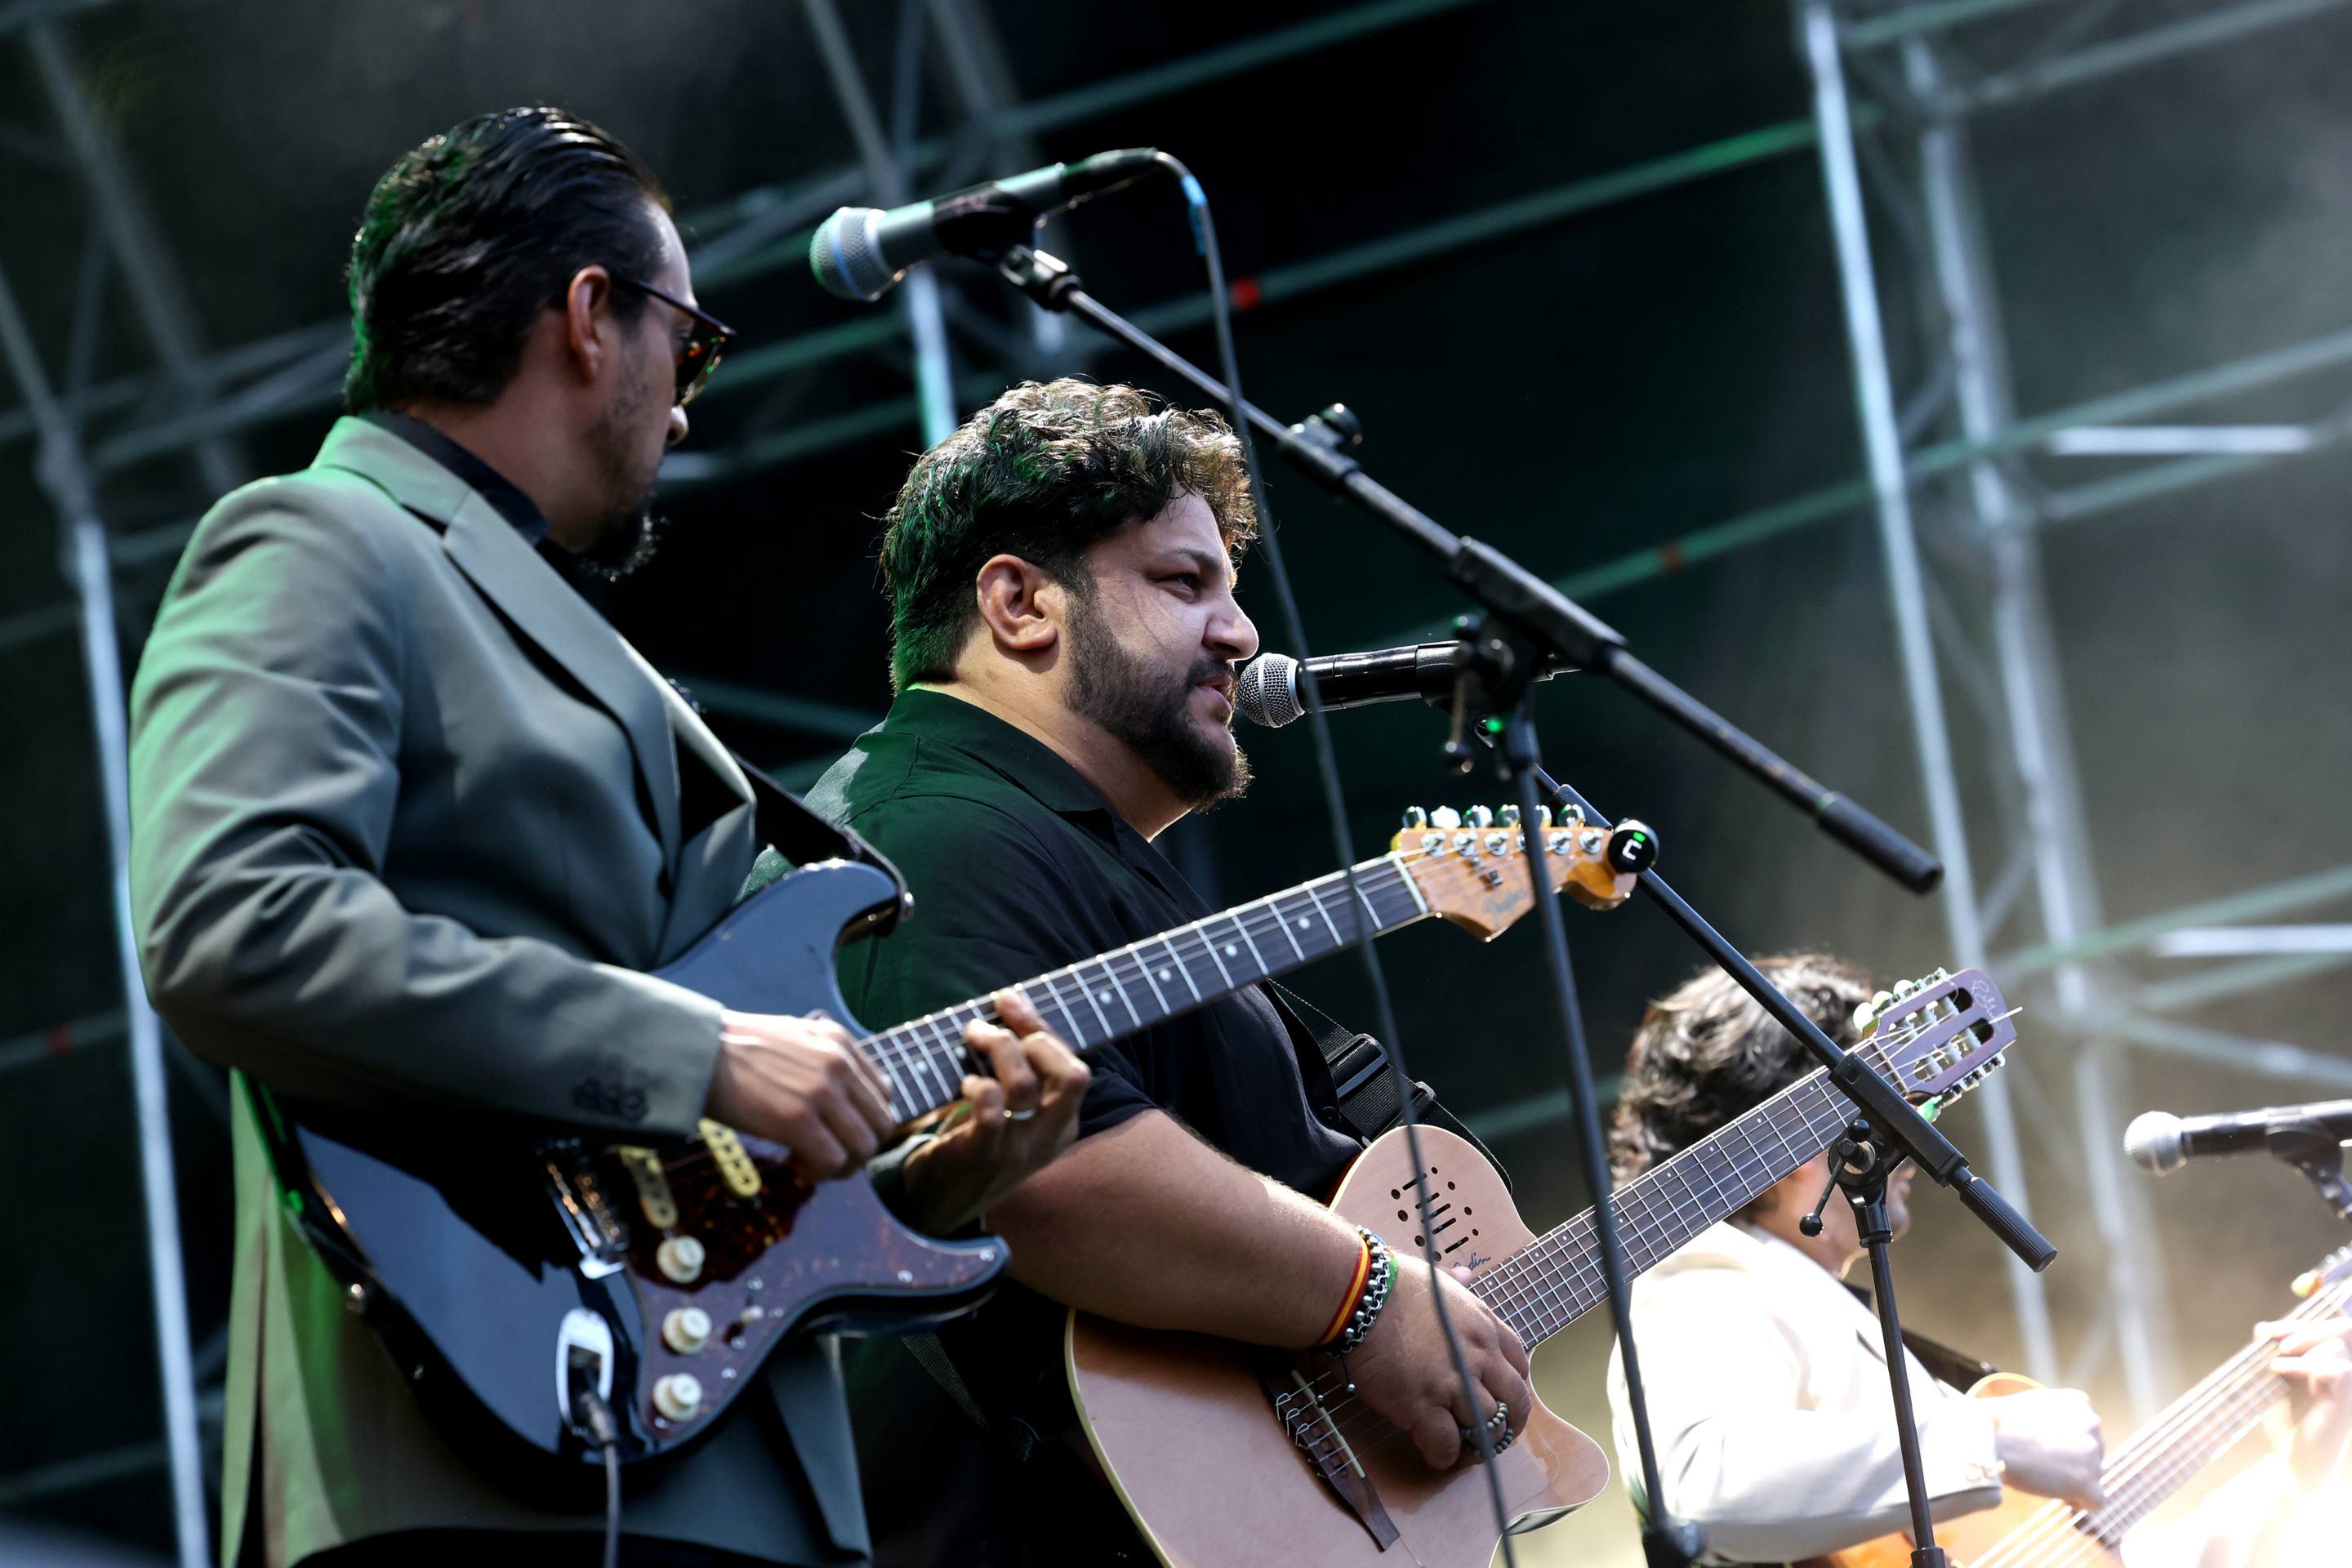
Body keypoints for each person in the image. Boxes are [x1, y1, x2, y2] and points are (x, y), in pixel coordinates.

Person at [128, 108, 1086, 1568]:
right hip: (473, 1452)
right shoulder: (319, 539)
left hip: (703, 1452)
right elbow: (231, 925)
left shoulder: (549, 619)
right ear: (589, 317)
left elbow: (684, 1169)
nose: (689, 405)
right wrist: (697, 1053)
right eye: (690, 347)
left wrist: (928, 1175)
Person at [802, 378, 1533, 1564]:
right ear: (1019, 603)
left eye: (1230, 590)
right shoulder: (932, 826)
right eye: (1183, 583)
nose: (1241, 633)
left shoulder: (1064, 850)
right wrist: (1364, 1295)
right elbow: (1050, 1172)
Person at [1603, 955, 2352, 1567]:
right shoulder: (1706, 1273)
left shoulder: (1827, 1313)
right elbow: (1698, 1486)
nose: (1920, 1136)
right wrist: (1991, 1442)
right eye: (1899, 1104)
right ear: (1793, 1136)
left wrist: (2296, 1474)